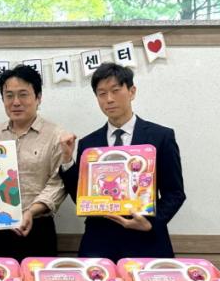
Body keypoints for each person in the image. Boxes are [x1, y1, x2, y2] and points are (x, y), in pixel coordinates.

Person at [59, 63, 186, 262]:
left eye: (115, 90)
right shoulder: (88, 144)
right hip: (99, 243)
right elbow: (82, 199)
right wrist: (67, 161)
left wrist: (151, 222)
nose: (109, 99)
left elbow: (175, 193)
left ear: (132, 91)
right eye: (102, 94)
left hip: (146, 241)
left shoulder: (161, 137)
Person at [0, 65, 68, 262]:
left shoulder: (56, 135)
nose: (16, 102)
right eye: (9, 96)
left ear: (38, 97)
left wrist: (31, 211)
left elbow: (58, 183)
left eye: (23, 95)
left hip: (37, 228)